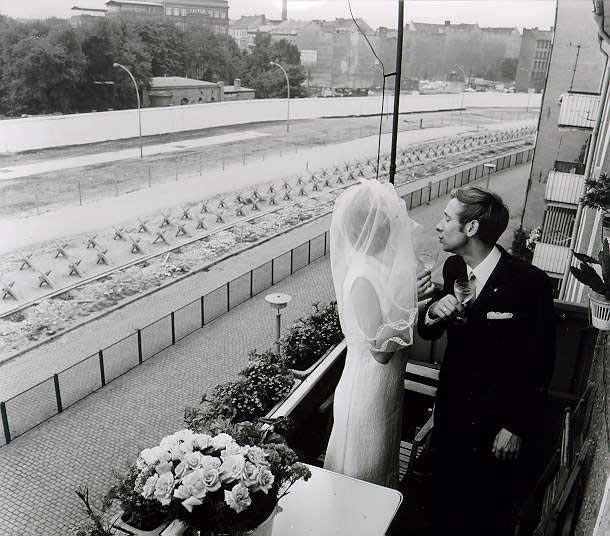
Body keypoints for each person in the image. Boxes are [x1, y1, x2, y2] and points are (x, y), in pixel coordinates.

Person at [417, 186, 556, 535]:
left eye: (447, 219)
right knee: (443, 509)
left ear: (472, 229)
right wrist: (435, 310)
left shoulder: (529, 283)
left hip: (496, 431)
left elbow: (540, 362)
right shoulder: (453, 268)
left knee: (482, 515)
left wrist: (515, 427)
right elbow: (431, 330)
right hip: (451, 418)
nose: (439, 225)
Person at [323, 178, 433, 488]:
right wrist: (411, 302)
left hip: (385, 390)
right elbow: (381, 350)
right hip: (366, 392)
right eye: (384, 220)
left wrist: (414, 301)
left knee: (380, 470)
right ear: (369, 227)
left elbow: (393, 322)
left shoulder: (378, 268)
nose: (391, 226)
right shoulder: (361, 276)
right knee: (362, 475)